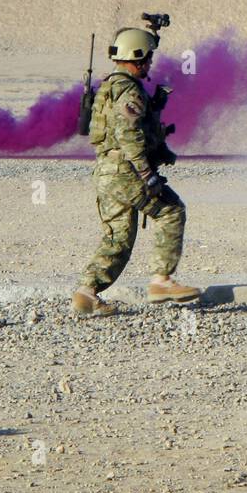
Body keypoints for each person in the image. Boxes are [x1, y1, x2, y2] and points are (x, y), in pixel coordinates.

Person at [72, 25, 198, 316]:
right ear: (137, 56)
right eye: (148, 58)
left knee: (117, 238)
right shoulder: (129, 91)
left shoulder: (107, 88)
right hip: (125, 171)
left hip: (105, 172)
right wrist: (146, 174)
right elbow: (128, 134)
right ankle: (162, 281)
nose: (150, 64)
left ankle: (86, 293)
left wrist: (160, 147)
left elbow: (128, 131)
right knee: (171, 211)